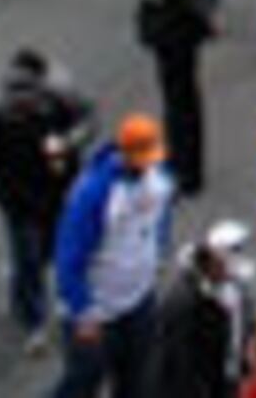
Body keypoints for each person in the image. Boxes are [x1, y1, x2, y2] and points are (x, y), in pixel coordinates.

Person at [0, 46, 97, 342]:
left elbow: (89, 120)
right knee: (27, 256)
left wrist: (68, 142)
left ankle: (24, 293)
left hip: (56, 191)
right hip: (17, 199)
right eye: (19, 103)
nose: (24, 108)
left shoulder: (60, 97)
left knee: (49, 252)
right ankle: (32, 318)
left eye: (30, 101)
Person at [51, 115, 178, 397]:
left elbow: (162, 213)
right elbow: (69, 257)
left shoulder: (159, 176)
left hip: (139, 299)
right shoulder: (94, 193)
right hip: (100, 310)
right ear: (126, 153)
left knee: (137, 380)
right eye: (144, 158)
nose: (150, 164)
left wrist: (159, 250)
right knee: (82, 383)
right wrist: (82, 311)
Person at [134, 0, 215, 199]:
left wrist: (148, 37)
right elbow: (198, 4)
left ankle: (183, 167)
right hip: (184, 43)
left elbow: (147, 10)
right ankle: (189, 167)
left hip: (169, 44)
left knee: (177, 107)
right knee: (187, 104)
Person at [150, 217, 256, 398]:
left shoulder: (233, 287)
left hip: (227, 377)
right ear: (212, 262)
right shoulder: (183, 303)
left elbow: (243, 327)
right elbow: (180, 363)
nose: (231, 276)